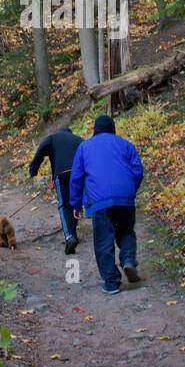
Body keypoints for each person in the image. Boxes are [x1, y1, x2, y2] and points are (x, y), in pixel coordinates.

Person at [68, 114, 143, 295]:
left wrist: (76, 205)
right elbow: (138, 170)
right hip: (125, 197)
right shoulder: (125, 144)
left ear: (95, 130)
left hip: (99, 200)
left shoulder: (84, 147)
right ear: (113, 129)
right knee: (126, 231)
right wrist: (130, 191)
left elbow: (76, 178)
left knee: (103, 240)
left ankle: (111, 283)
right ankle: (127, 260)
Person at [28, 124, 84, 254]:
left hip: (62, 173)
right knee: (75, 203)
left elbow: (40, 151)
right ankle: (73, 234)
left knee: (64, 206)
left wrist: (33, 170)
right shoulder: (79, 139)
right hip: (78, 173)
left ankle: (69, 237)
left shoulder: (53, 138)